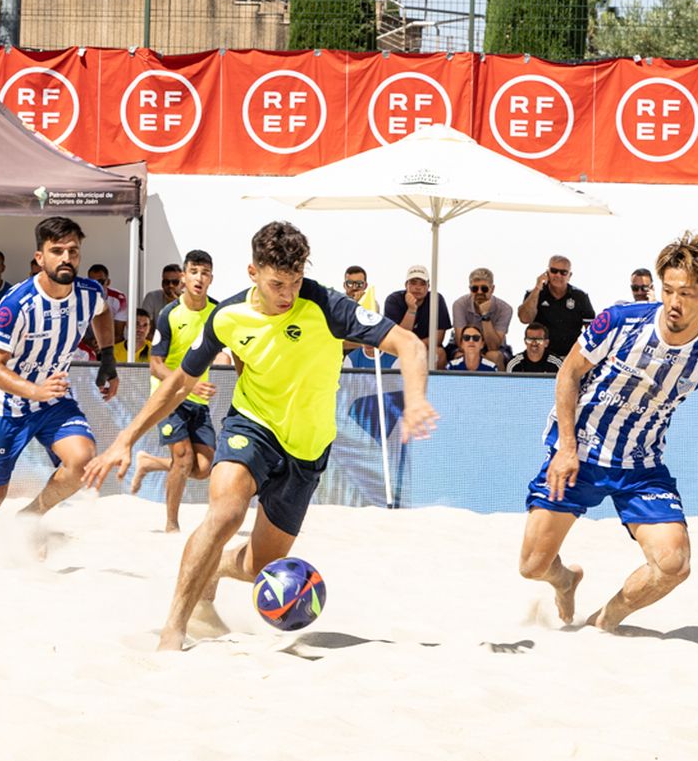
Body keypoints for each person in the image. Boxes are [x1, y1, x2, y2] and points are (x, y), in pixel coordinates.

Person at [84, 221, 439, 652]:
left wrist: (416, 399)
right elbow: (179, 381)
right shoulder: (228, 316)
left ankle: (214, 570)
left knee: (261, 566)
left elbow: (409, 344)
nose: (287, 294)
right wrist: (126, 438)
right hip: (251, 425)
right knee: (226, 512)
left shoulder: (327, 306)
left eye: (294, 281)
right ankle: (173, 629)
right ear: (253, 272)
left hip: (308, 447)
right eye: (277, 283)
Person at [518, 230, 698, 633]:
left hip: (640, 470)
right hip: (581, 456)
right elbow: (569, 372)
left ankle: (605, 621)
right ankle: (566, 580)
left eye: (687, 294)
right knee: (533, 566)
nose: (675, 303)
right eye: (669, 290)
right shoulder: (621, 321)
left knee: (675, 565)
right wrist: (566, 448)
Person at [0, 216, 119, 561]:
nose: (66, 258)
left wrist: (108, 359)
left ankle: (31, 516)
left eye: (73, 250)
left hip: (53, 399)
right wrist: (34, 390)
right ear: (39, 258)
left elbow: (102, 314)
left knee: (83, 463)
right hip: (4, 407)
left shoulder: (89, 293)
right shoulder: (16, 304)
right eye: (57, 251)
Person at [126, 250, 220, 533]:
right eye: (194, 272)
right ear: (184, 276)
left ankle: (149, 462)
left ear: (211, 278)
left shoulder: (217, 312)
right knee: (183, 459)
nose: (199, 278)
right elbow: (155, 365)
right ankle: (171, 524)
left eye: (205, 273)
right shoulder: (169, 314)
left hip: (198, 398)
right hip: (168, 397)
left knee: (203, 468)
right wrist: (187, 383)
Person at [516, 254, 595, 360]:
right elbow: (524, 319)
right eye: (554, 271)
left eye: (563, 272)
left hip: (571, 355)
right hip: (541, 357)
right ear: (547, 272)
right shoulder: (534, 294)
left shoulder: (580, 297)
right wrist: (537, 288)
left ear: (569, 275)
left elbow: (591, 330)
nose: (558, 275)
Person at [383, 263, 453, 368]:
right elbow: (398, 337)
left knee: (439, 353)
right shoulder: (393, 300)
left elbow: (438, 338)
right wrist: (412, 309)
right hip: (398, 349)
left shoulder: (436, 299)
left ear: (428, 287)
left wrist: (415, 346)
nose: (418, 287)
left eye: (422, 284)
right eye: (413, 283)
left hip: (425, 348)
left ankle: (432, 384)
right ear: (406, 285)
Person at [450, 267, 513, 367]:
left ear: (492, 289)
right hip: (466, 344)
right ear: (470, 289)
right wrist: (475, 354)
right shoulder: (459, 304)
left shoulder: (505, 309)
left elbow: (494, 347)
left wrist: (485, 315)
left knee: (494, 356)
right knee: (461, 356)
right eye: (475, 289)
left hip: (494, 347)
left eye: (484, 289)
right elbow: (460, 342)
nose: (479, 292)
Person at [87, 263, 130, 343]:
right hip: (87, 342)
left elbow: (119, 334)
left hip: (111, 342)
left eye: (100, 282)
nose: (96, 286)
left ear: (108, 282)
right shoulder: (80, 297)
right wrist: (88, 343)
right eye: (92, 282)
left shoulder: (119, 298)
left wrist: (103, 344)